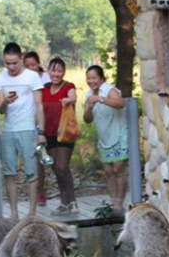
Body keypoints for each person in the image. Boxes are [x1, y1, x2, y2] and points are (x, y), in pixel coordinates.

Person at [0, 42, 46, 220]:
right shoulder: (0, 79)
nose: (11, 67)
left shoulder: (32, 77)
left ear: (21, 59)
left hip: (28, 128)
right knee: (9, 172)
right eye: (8, 63)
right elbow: (0, 109)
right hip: (8, 129)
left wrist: (41, 131)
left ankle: (32, 212)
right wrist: (6, 101)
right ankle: (14, 213)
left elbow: (39, 105)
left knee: (31, 171)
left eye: (15, 63)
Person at [83, 64, 127, 216]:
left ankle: (119, 204)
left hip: (120, 135)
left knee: (117, 170)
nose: (91, 81)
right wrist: (89, 106)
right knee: (108, 172)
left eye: (94, 78)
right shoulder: (89, 94)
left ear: (101, 78)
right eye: (88, 78)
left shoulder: (110, 90)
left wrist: (100, 99)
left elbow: (120, 104)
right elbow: (87, 119)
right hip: (104, 138)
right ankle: (114, 202)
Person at [41, 57, 79, 216]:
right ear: (48, 71)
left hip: (65, 133)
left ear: (63, 72)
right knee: (56, 169)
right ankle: (64, 203)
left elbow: (73, 96)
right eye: (53, 70)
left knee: (63, 166)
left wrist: (69, 100)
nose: (56, 74)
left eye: (59, 70)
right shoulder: (44, 88)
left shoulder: (68, 86)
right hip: (49, 134)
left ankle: (72, 202)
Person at [23, 50, 51, 207]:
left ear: (38, 64)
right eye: (27, 66)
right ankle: (39, 192)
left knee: (49, 159)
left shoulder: (46, 79)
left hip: (47, 122)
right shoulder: (23, 80)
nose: (30, 68)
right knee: (36, 160)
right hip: (29, 124)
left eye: (33, 65)